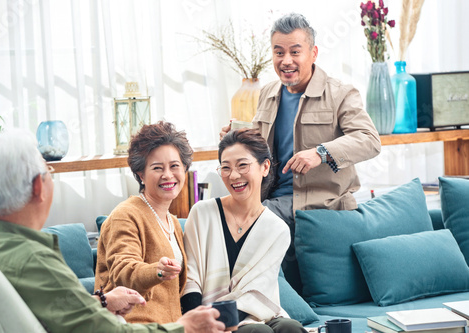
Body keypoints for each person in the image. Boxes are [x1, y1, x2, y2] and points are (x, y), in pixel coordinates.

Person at [0, 129, 226, 333]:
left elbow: (62, 309)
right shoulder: (35, 259)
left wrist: (103, 300)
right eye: (48, 171)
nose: (168, 174)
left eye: (175, 166)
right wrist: (183, 329)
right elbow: (100, 327)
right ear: (39, 186)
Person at [220, 12, 381, 291]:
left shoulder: (341, 93)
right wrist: (236, 138)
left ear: (313, 53)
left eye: (295, 51)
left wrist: (321, 152)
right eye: (278, 52)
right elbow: (261, 144)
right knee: (220, 220)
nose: (286, 61)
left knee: (253, 224)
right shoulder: (268, 93)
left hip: (320, 203)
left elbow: (369, 140)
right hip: (273, 200)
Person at [182, 128, 307, 333]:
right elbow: (190, 278)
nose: (234, 176)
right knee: (258, 332)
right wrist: (202, 324)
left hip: (258, 314)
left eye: (242, 165)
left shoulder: (277, 229)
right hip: (207, 318)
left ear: (265, 167)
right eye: (226, 168)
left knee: (291, 328)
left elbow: (258, 293)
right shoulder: (202, 213)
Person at [95, 121, 191, 324]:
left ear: (184, 169)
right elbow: (122, 272)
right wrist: (157, 270)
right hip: (134, 325)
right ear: (141, 175)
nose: (168, 175)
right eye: (157, 168)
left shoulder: (173, 222)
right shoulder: (125, 215)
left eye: (174, 166)